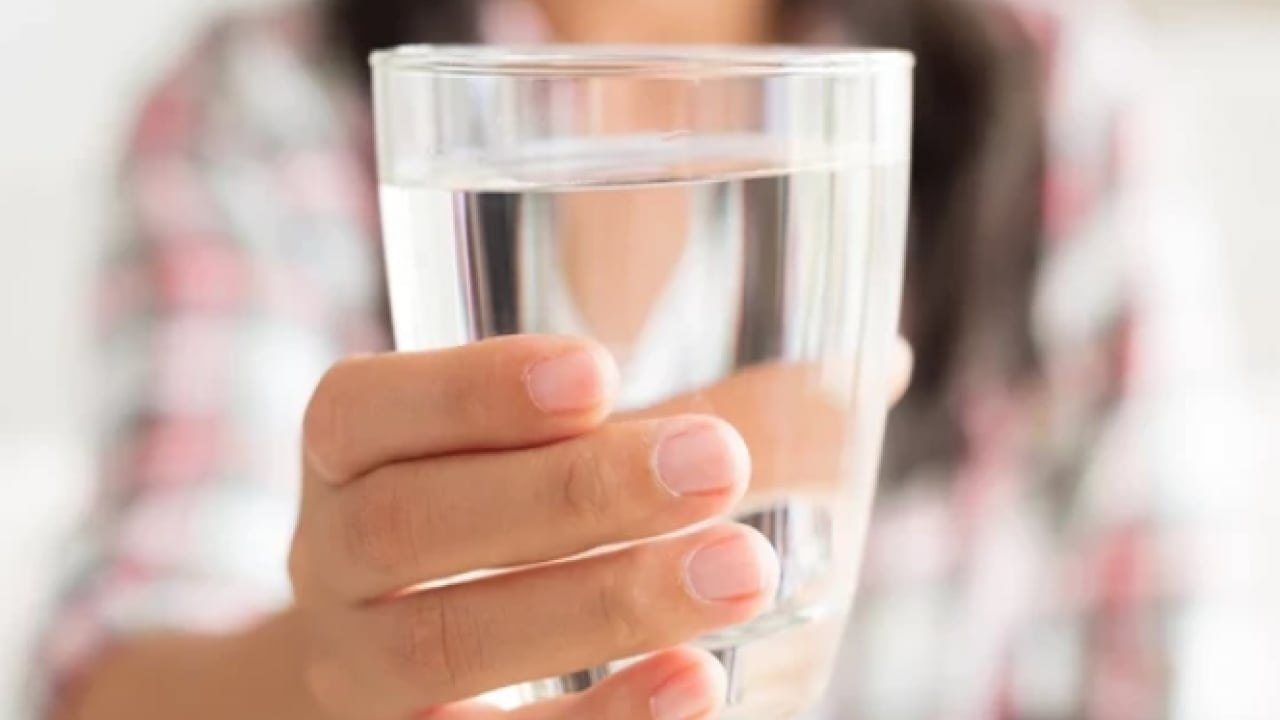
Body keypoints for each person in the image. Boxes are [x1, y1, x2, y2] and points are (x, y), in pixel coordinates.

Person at [34, 0, 1242, 718]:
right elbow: (132, 655)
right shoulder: (267, 105)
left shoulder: (1048, 93)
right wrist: (329, 675)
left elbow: (1172, 659)